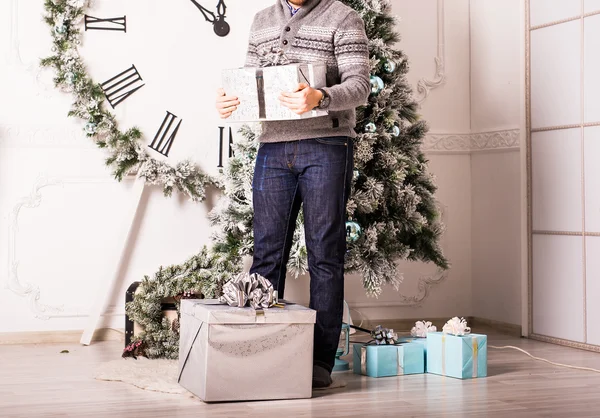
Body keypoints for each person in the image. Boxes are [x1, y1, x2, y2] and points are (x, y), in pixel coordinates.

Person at [215, 0, 370, 388]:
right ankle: (260, 352)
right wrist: (228, 102)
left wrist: (320, 97)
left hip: (328, 145)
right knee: (266, 252)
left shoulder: (343, 17)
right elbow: (250, 83)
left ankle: (319, 363)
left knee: (325, 254)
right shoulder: (262, 20)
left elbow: (360, 85)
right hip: (273, 146)